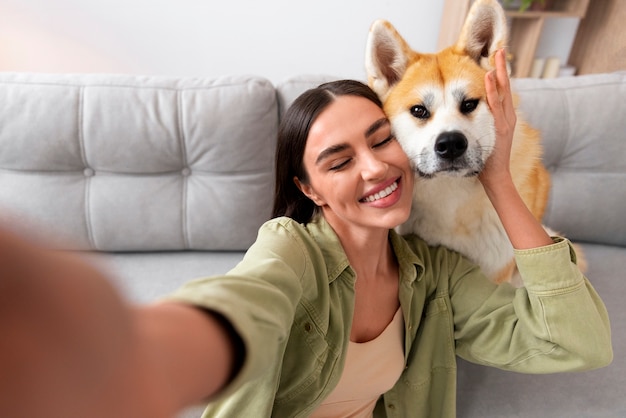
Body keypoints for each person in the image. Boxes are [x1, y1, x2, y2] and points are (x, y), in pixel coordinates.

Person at [0, 49, 612, 418]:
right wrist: (139, 355)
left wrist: (497, 173)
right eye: (339, 161)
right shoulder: (290, 250)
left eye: (381, 141)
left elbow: (578, 343)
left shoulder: (435, 273)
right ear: (311, 190)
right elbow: (242, 307)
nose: (375, 168)